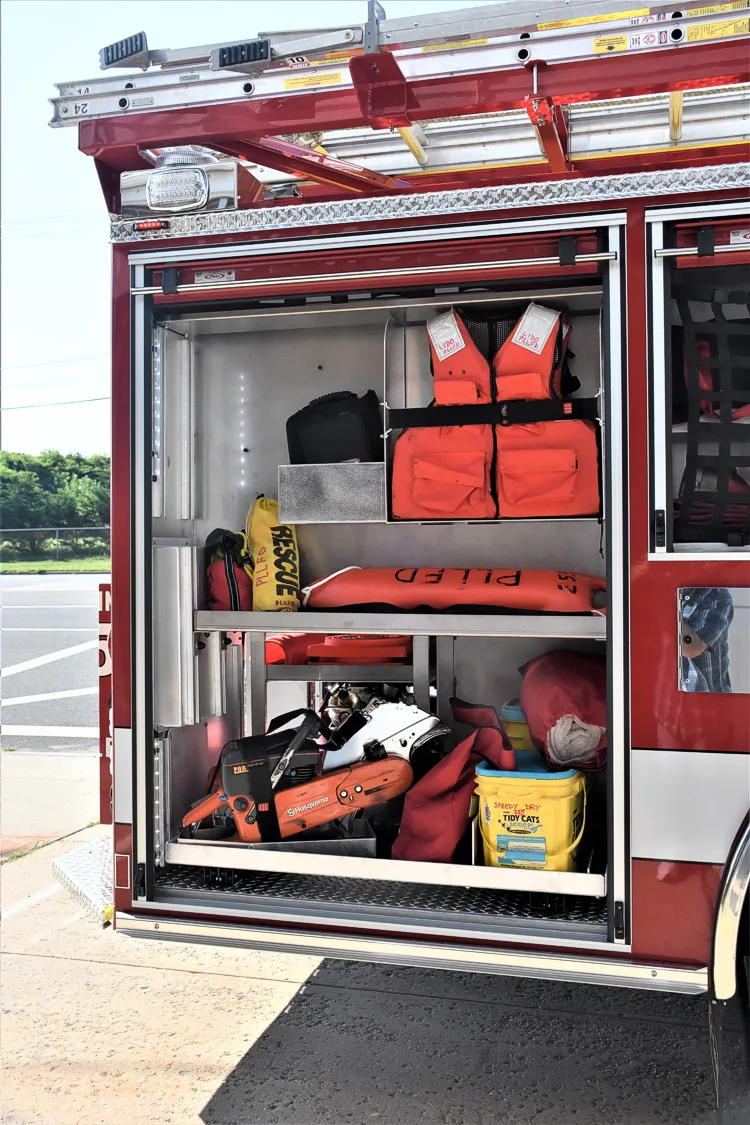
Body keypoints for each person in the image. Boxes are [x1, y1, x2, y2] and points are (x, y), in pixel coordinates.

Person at [680, 587, 734, 693]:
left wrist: (664, 608)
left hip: (708, 699)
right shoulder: (646, 592)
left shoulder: (715, 594)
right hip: (666, 700)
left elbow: (692, 648)